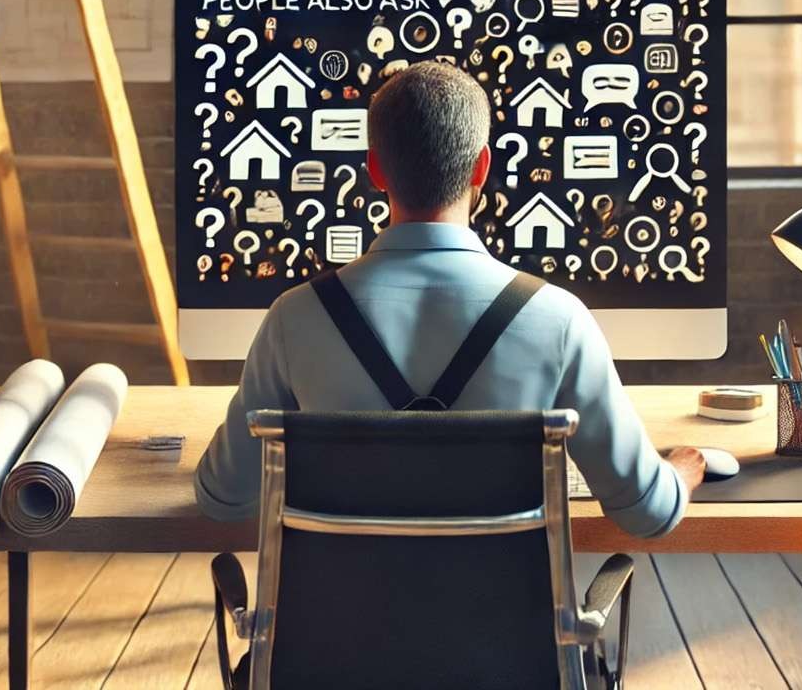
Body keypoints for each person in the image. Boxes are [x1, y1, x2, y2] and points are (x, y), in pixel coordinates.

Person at [194, 60, 703, 538]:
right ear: (481, 167)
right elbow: (646, 513)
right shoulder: (559, 320)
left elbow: (223, 499)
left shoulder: (295, 318)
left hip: (334, 629)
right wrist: (681, 471)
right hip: (509, 633)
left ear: (375, 170)